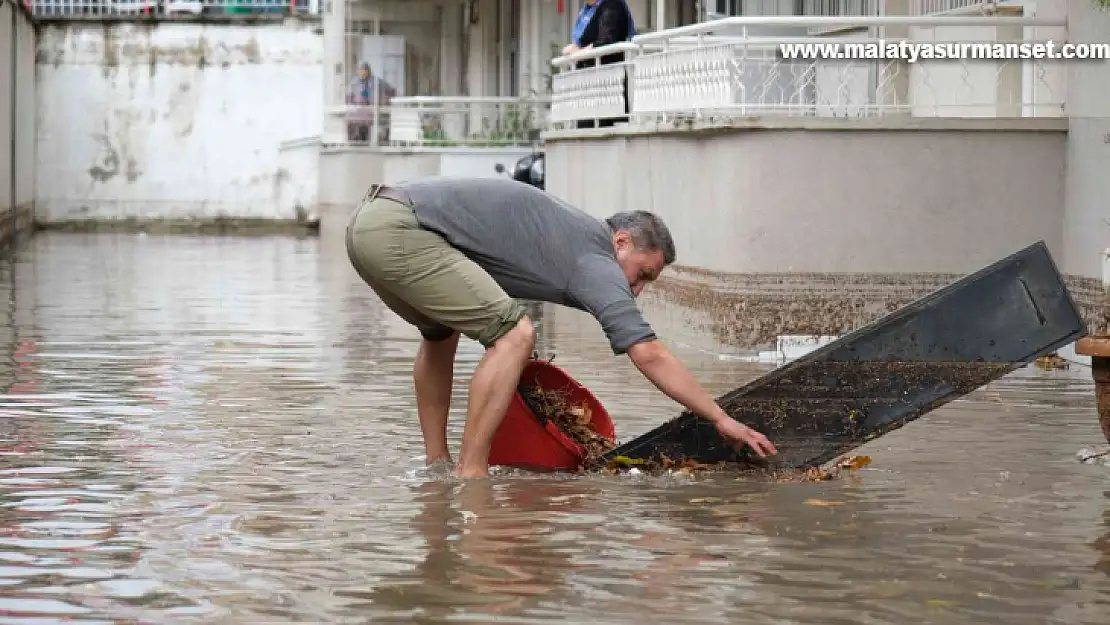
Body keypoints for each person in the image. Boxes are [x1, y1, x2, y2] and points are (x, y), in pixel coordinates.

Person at [345, 177, 778, 478]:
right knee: (516, 334)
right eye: (643, 275)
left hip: (370, 222)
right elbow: (649, 352)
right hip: (400, 231)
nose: (638, 290)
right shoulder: (596, 256)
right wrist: (723, 420)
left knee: (441, 333)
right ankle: (470, 476)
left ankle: (436, 468)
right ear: (622, 241)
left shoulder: (572, 232)